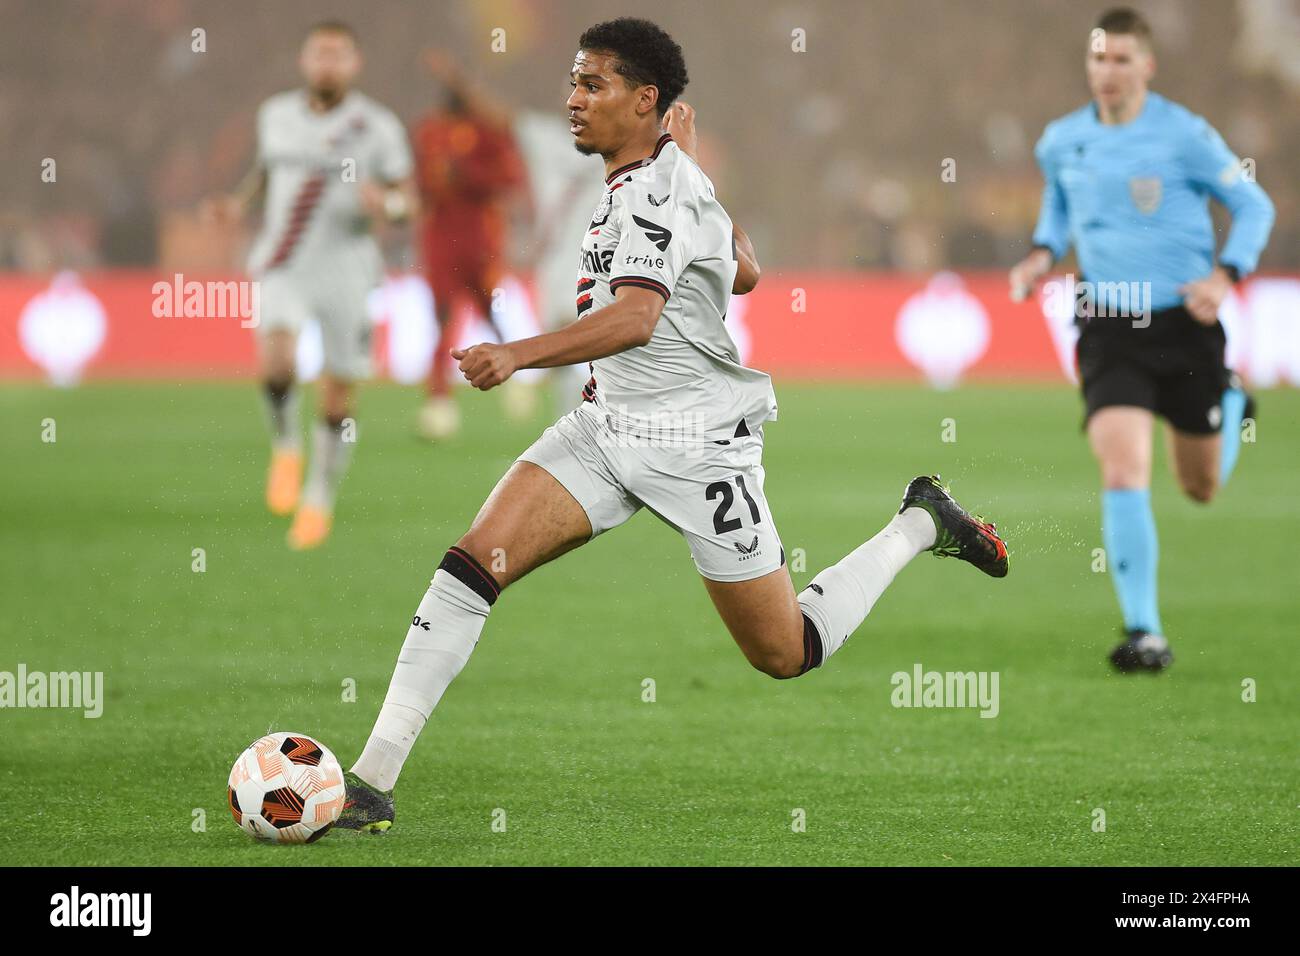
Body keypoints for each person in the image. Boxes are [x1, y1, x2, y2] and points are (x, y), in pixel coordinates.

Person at [338, 18, 1007, 831]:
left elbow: (636, 320)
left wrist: (518, 353)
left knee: (784, 651)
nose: (574, 99)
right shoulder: (654, 178)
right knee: (473, 563)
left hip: (697, 450)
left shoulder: (659, 187)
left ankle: (918, 521)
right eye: (574, 83)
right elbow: (750, 272)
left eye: (593, 85)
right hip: (605, 428)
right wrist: (694, 180)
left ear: (645, 98)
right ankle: (370, 782)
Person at [1008, 7, 1274, 671]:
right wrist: (1044, 251)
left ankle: (1233, 402)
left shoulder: (1184, 135)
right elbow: (1060, 201)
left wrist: (1226, 274)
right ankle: (1145, 632)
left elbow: (1253, 205)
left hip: (1186, 326)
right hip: (1108, 324)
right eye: (1100, 58)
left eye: (1123, 59)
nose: (1109, 71)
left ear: (1147, 66)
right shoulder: (1061, 140)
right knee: (1123, 467)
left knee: (1200, 487)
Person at [205, 21, 417, 549]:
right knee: (277, 364)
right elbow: (267, 172)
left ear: (354, 63)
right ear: (304, 61)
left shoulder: (377, 126)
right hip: (285, 260)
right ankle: (285, 446)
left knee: (338, 393)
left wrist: (386, 205)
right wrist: (237, 204)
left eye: (338, 54)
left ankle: (319, 496)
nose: (328, 63)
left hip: (347, 266)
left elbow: (407, 201)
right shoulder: (276, 116)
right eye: (319, 53)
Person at [413, 52, 532, 440]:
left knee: (488, 309)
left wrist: (466, 174)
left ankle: (512, 374)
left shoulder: (489, 131)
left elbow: (508, 180)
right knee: (443, 318)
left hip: (481, 240)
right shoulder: (428, 132)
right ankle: (439, 402)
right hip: (440, 241)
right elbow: (419, 184)